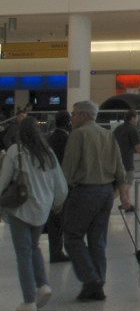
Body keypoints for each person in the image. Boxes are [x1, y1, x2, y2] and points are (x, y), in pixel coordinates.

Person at [61, 99, 130, 302]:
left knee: (72, 236)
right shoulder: (107, 134)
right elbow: (120, 166)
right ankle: (98, 282)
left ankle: (91, 280)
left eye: (74, 114)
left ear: (83, 115)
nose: (72, 117)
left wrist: (61, 195)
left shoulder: (78, 134)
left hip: (85, 192)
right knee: (97, 240)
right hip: (106, 193)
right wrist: (123, 193)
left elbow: (69, 167)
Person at [1, 116, 68, 311]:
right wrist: (57, 203)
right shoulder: (48, 154)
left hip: (20, 209)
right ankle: (43, 285)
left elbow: (3, 181)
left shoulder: (16, 151)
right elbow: (60, 185)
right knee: (33, 246)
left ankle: (29, 300)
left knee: (23, 254)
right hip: (42, 210)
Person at [112, 109, 140, 212]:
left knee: (122, 182)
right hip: (126, 160)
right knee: (128, 182)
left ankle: (127, 205)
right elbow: (137, 147)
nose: (138, 120)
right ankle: (109, 199)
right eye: (137, 117)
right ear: (132, 118)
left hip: (116, 159)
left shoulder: (118, 129)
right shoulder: (132, 130)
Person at [45, 111, 72, 264]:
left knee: (55, 219)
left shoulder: (50, 138)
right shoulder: (66, 139)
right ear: (67, 122)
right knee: (60, 219)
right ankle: (57, 252)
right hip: (63, 184)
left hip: (51, 183)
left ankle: (55, 250)